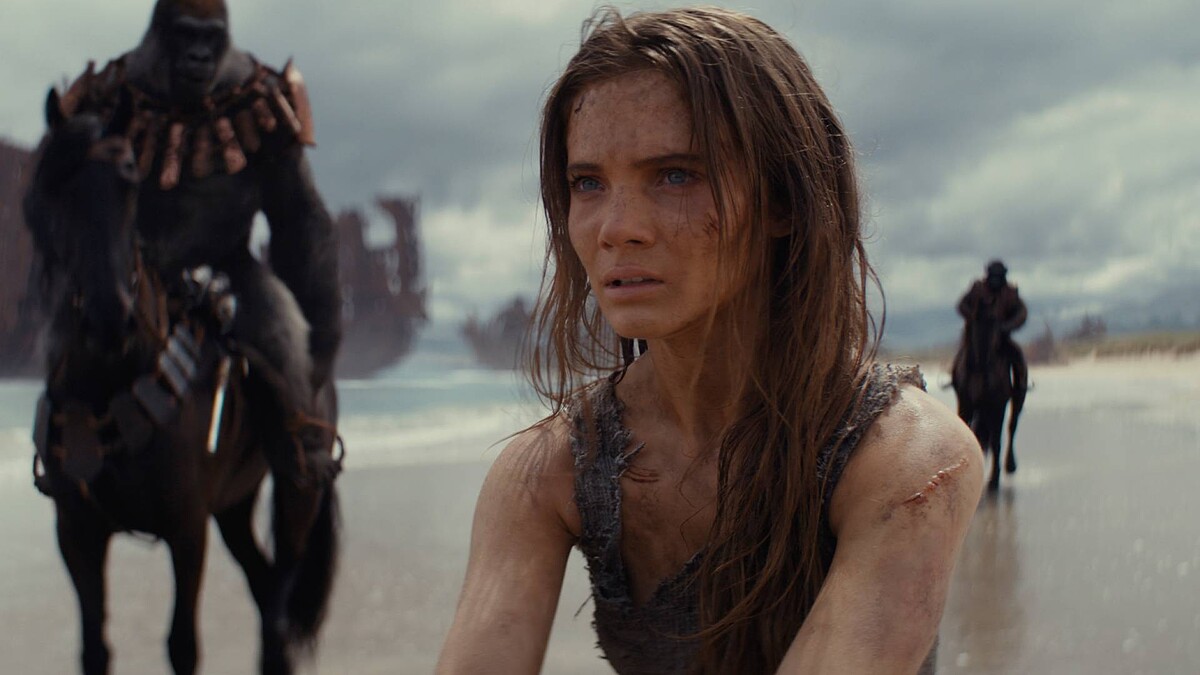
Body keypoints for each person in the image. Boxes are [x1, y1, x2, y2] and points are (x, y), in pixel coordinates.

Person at [437, 7, 982, 675]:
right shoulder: (546, 471)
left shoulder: (907, 455)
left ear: (783, 201)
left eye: (675, 175)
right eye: (588, 183)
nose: (617, 227)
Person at [42, 0, 341, 482]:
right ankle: (56, 455)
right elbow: (63, 197)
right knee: (64, 339)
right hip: (129, 268)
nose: (199, 56)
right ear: (159, 36)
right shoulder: (109, 93)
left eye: (209, 41)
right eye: (186, 38)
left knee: (283, 337)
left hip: (228, 266)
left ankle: (301, 445)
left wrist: (320, 346)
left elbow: (303, 223)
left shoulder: (260, 101)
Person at [957, 259, 1029, 391]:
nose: (995, 280)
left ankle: (1020, 387)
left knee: (1018, 357)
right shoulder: (977, 289)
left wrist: (1006, 326)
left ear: (1003, 277)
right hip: (976, 337)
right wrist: (973, 318)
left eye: (998, 277)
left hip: (1001, 339)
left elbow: (1022, 314)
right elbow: (962, 305)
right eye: (993, 276)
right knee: (962, 355)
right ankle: (956, 380)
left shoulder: (1010, 293)